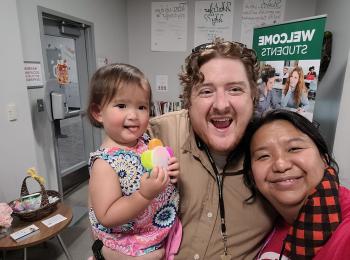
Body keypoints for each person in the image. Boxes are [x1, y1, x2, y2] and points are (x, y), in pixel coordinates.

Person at [148, 38, 275, 259]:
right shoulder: (159, 135)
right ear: (188, 100)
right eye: (206, 91)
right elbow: (108, 176)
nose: (221, 105)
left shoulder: (275, 149)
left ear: (253, 95)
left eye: (235, 89)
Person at [86, 63, 181, 260]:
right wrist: (144, 195)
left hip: (159, 230)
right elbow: (107, 215)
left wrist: (170, 171)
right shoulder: (105, 163)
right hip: (129, 244)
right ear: (98, 112)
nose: (134, 115)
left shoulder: (145, 141)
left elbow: (157, 168)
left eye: (142, 107)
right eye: (121, 106)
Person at [243, 109, 350, 259]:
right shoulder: (268, 222)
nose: (280, 165)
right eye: (264, 156)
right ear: (252, 176)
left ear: (324, 159)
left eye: (294, 149)